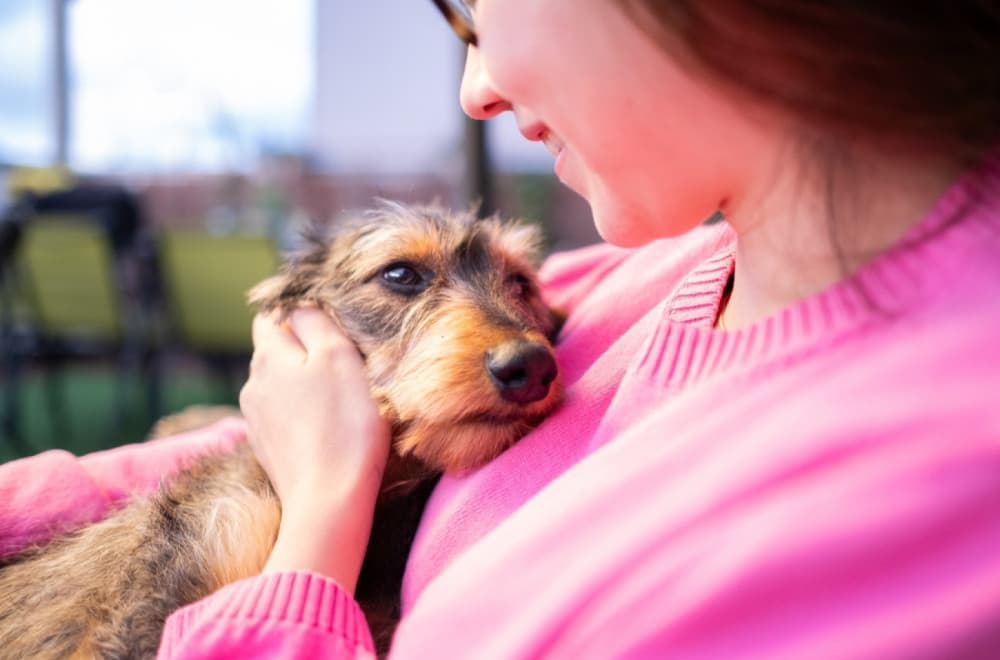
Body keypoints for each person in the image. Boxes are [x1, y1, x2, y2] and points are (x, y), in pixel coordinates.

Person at [3, 1, 1000, 657]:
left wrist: (315, 525)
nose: (474, 92)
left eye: (476, 11)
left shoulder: (927, 472)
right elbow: (285, 419)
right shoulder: (639, 278)